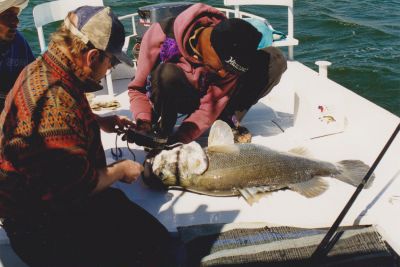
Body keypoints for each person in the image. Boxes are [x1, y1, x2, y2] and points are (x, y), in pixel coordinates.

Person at [0, 5, 170, 267]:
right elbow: (73, 188)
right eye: (110, 61)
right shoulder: (55, 103)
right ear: (92, 56)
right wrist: (120, 169)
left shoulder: (43, 68)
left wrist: (98, 122)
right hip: (40, 226)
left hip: (39, 203)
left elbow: (58, 128)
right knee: (157, 248)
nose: (110, 69)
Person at [128, 3, 287, 144]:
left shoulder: (231, 54)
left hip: (211, 100)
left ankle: (226, 119)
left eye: (231, 71)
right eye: (223, 68)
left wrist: (181, 139)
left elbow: (209, 107)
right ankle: (163, 129)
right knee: (166, 73)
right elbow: (137, 88)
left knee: (274, 59)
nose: (225, 75)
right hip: (175, 94)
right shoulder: (161, 33)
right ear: (210, 46)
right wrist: (143, 120)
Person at [0, 0, 34, 111]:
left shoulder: (19, 41)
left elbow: (34, 74)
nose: (16, 21)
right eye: (8, 15)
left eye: (15, 15)